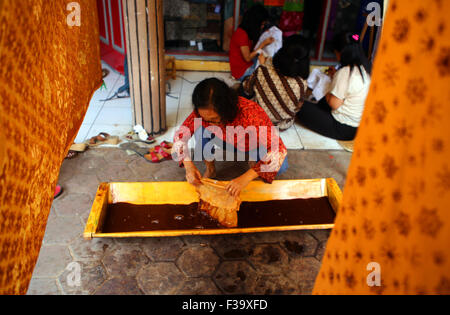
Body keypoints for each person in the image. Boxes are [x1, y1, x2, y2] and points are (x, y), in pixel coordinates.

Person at [173, 78, 288, 197]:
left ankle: (254, 160)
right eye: (205, 119)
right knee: (199, 129)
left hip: (250, 144)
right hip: (224, 140)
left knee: (280, 165)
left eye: (214, 119)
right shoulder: (201, 113)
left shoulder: (251, 113)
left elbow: (279, 150)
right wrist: (188, 166)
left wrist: (245, 178)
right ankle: (210, 169)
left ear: (226, 108)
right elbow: (179, 137)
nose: (210, 123)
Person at [297, 32, 371, 140]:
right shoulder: (366, 69)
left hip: (342, 127)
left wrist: (330, 86)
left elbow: (334, 104)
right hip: (357, 126)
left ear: (341, 53)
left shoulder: (346, 72)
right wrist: (335, 76)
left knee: (300, 106)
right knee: (321, 102)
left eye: (336, 52)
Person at [242, 34, 310, 130]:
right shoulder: (302, 84)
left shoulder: (263, 70)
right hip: (282, 125)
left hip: (259, 120)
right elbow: (298, 107)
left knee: (246, 81)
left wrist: (262, 66)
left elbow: (247, 90)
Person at [229, 4, 274, 82]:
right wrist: (263, 44)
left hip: (248, 65)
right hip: (242, 72)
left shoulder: (248, 32)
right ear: (255, 22)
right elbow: (247, 58)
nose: (262, 27)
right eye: (262, 24)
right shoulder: (241, 34)